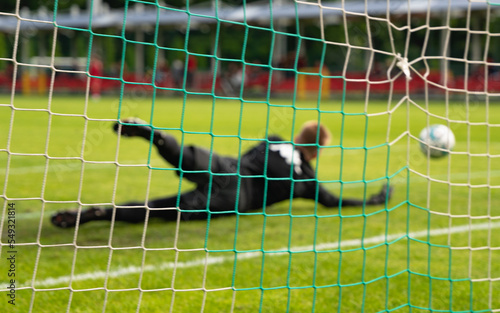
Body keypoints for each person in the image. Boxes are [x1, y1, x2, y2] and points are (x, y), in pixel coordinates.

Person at [51, 119, 393, 228]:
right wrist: (373, 199)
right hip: (237, 197)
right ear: (316, 150)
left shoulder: (273, 142)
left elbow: (251, 157)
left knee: (184, 157)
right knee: (161, 209)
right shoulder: (306, 178)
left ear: (299, 136)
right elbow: (332, 202)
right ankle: (96, 214)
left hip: (228, 165)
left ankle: (156, 136)